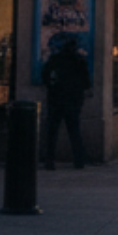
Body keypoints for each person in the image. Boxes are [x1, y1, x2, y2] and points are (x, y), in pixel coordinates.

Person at [41, 37, 93, 169]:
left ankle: (49, 160)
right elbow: (86, 82)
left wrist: (52, 87)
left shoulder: (56, 59)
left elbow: (45, 75)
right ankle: (79, 160)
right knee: (74, 131)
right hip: (73, 100)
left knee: (52, 131)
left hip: (56, 99)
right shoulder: (79, 61)